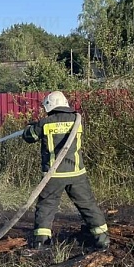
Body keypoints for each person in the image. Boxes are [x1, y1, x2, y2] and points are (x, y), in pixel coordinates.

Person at [21, 91, 109, 250]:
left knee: (46, 206)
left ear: (49, 106)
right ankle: (102, 239)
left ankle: (41, 241)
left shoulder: (45, 123)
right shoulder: (77, 120)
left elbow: (29, 137)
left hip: (53, 175)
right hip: (76, 173)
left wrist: (31, 127)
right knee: (88, 205)